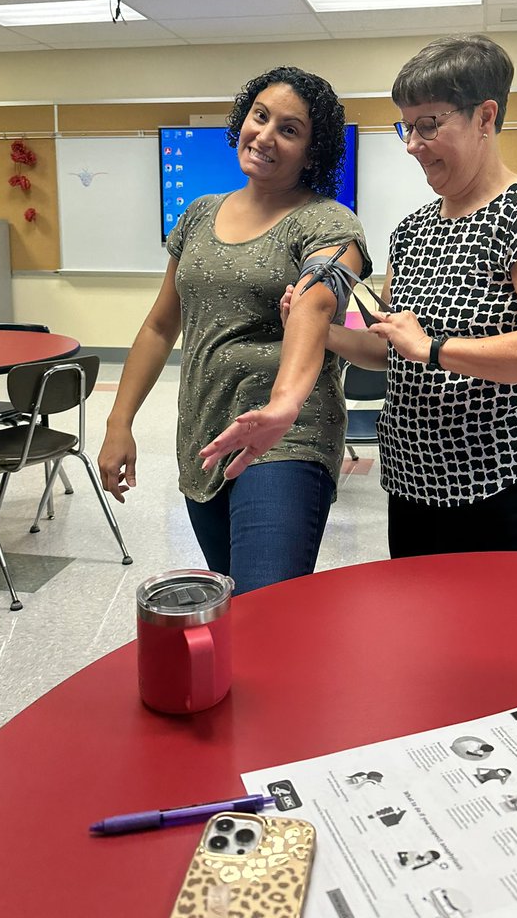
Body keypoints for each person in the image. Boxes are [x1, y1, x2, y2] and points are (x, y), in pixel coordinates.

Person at [300, 35, 517, 556]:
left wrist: (434, 349)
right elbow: (391, 347)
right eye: (406, 127)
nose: (412, 143)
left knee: (488, 631)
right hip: (414, 480)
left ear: (485, 118)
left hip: (501, 480)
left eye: (429, 125)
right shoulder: (413, 231)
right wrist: (319, 330)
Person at [98, 66, 370, 594]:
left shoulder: (328, 222)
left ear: (313, 153)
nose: (265, 135)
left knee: (265, 605)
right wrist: (118, 421)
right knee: (231, 602)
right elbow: (159, 325)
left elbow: (317, 299)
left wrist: (283, 404)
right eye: (260, 116)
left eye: (289, 130)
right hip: (205, 432)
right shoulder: (198, 216)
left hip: (289, 436)